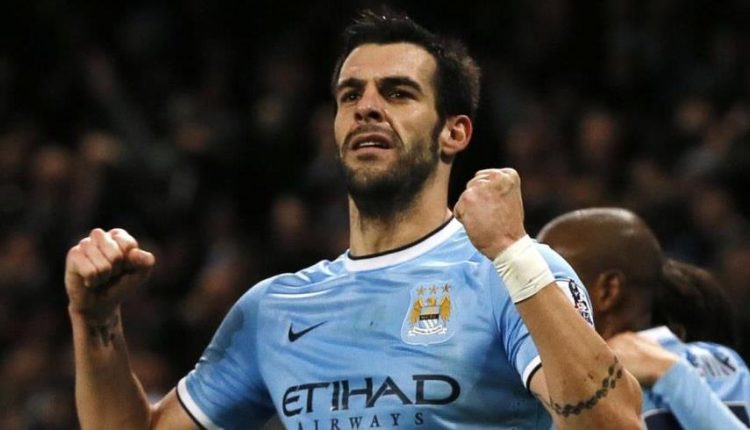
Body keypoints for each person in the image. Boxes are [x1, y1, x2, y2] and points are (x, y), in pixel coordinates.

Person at [64, 10, 641, 430]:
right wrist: (96, 323)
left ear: (454, 132)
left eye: (398, 93)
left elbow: (613, 424)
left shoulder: (510, 274)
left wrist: (513, 252)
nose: (367, 107)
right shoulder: (273, 310)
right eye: (350, 95)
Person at [538, 207, 750, 429]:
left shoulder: (710, 363)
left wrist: (670, 375)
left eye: (550, 283)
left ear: (607, 291)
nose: (531, 302)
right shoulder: (720, 363)